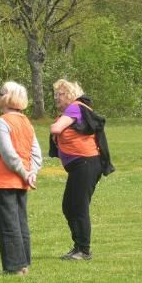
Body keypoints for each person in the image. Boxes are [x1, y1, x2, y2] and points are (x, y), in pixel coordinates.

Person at [0, 82, 42, 275]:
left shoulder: (2, 122)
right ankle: (23, 264)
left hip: (3, 181)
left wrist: (26, 174)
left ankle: (14, 267)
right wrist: (31, 173)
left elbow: (7, 154)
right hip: (21, 182)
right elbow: (36, 154)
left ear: (7, 97)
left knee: (8, 225)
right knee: (20, 223)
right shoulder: (26, 121)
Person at [49, 79, 105, 261]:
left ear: (71, 95)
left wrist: (53, 129)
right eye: (55, 94)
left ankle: (84, 250)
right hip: (80, 166)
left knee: (78, 206)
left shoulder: (75, 107)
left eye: (61, 94)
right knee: (68, 206)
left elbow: (56, 128)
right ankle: (78, 246)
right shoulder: (72, 110)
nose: (56, 97)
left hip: (86, 163)